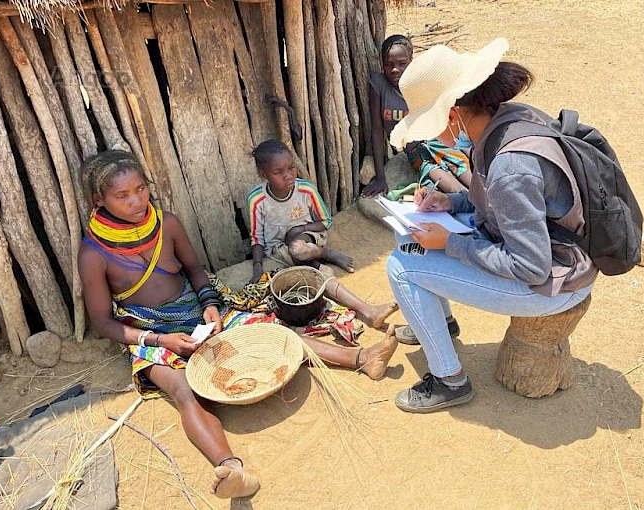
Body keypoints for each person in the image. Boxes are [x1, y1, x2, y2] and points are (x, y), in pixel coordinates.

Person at [78, 150, 399, 499]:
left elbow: (196, 272)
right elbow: (103, 323)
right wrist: (160, 340)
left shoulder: (166, 223)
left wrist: (211, 305)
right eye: (122, 195)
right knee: (183, 390)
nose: (137, 200)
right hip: (147, 330)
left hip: (196, 309)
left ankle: (362, 359)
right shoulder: (93, 254)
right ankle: (232, 469)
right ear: (100, 200)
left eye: (140, 189)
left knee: (273, 334)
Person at [385, 38, 597, 413]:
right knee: (408, 235)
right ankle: (441, 323)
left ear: (452, 116)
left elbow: (530, 265)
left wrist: (449, 244)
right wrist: (452, 202)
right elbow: (509, 204)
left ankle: (449, 380)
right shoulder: (506, 120)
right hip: (560, 256)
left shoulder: (509, 166)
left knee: (401, 267)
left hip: (554, 284)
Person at [249, 139, 398, 329]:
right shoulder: (256, 200)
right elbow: (256, 238)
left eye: (291, 167)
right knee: (317, 272)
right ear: (264, 174)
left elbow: (326, 222)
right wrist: (257, 267)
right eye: (278, 172)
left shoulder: (305, 190)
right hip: (279, 249)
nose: (288, 175)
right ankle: (368, 310)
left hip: (309, 236)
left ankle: (324, 252)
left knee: (299, 249)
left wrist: (299, 230)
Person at [361, 35, 472, 198]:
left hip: (439, 139)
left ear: (411, 61)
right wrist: (380, 178)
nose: (395, 69)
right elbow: (377, 131)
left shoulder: (422, 81)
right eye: (388, 64)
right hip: (414, 149)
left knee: (460, 167)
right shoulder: (378, 85)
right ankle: (470, 200)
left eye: (402, 63)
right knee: (443, 180)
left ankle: (485, 198)